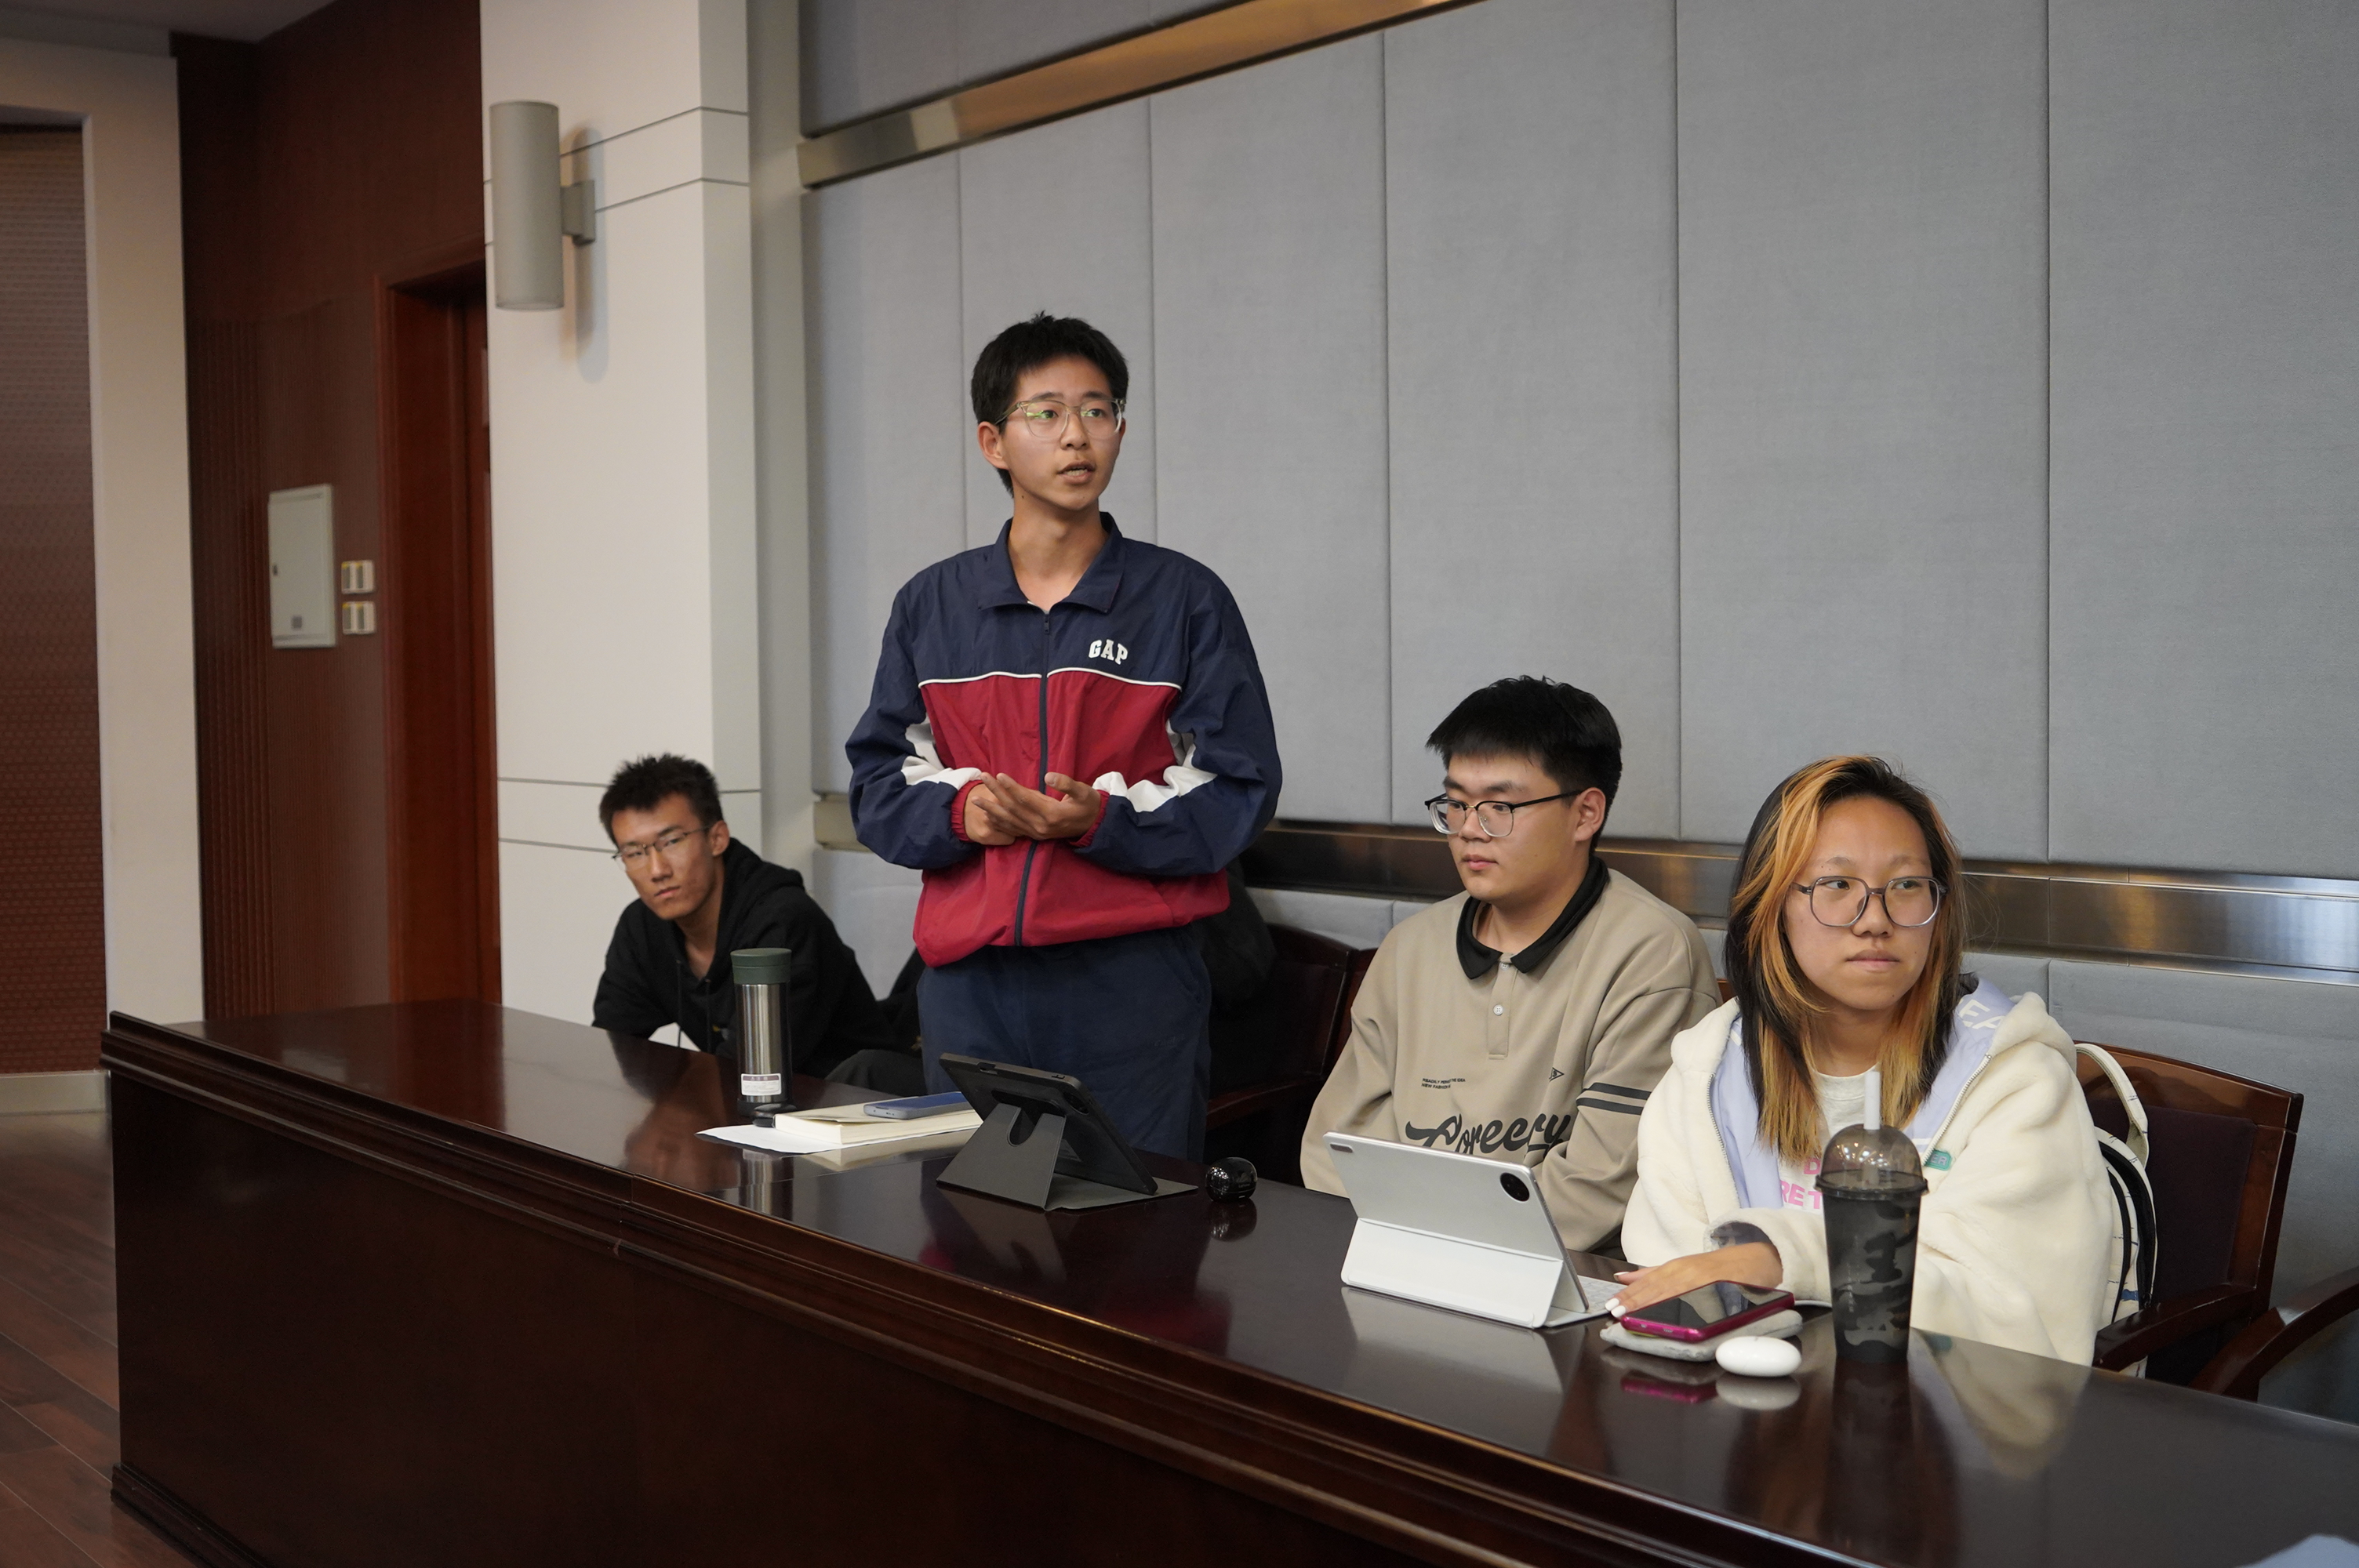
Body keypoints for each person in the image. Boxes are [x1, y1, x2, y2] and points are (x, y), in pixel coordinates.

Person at [845, 314, 1281, 1160]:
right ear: (993, 442)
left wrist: (1099, 822)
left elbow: (1240, 786)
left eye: (1097, 410)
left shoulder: (1183, 599)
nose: (1076, 435)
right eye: (1045, 413)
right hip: (970, 986)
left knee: (1134, 1225)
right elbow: (878, 784)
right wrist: (963, 813)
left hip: (1130, 981)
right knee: (973, 1221)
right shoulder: (931, 606)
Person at [1616, 756, 2114, 1363]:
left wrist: (1780, 1257)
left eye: (1906, 886)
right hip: (1739, 1401)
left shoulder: (2014, 1079)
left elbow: (2018, 1313)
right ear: (1771, 907)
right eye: (1837, 886)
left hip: (1942, 1412)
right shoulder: (1711, 1073)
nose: (1875, 920)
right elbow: (1670, 1283)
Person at [1298, 677, 1718, 1250]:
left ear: (1585, 813)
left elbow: (1598, 1190)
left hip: (1569, 1276)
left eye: (1500, 807)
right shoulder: (1410, 948)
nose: (1470, 829)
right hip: (1394, 1258)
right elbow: (1336, 1152)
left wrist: (1430, 1238)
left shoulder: (1652, 952)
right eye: (1456, 804)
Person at [591, 754, 918, 1091]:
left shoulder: (783, 920)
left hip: (852, 1104)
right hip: (747, 1107)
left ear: (717, 838)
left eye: (671, 841)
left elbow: (751, 1071)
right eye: (635, 853)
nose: (657, 870)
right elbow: (611, 1046)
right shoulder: (642, 927)